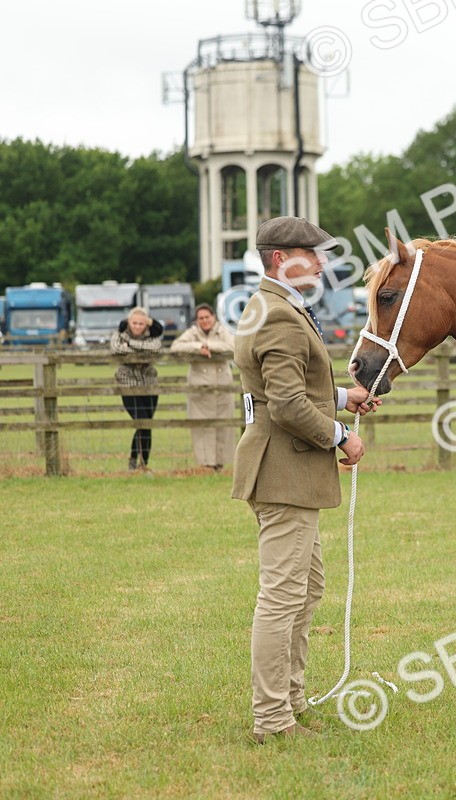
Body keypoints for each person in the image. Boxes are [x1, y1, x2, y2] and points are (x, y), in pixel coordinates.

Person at [231, 216, 381, 744]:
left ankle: (291, 700)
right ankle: (272, 720)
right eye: (312, 254)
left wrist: (343, 397)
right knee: (282, 596)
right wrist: (342, 435)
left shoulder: (278, 306)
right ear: (281, 258)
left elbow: (287, 388)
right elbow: (289, 405)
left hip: (287, 467)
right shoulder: (278, 315)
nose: (320, 263)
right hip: (284, 469)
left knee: (307, 587)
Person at [170, 304, 236, 470]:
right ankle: (206, 465)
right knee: (202, 427)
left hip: (222, 387)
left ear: (213, 317)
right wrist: (198, 347)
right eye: (201, 318)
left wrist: (210, 346)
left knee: (223, 426)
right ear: (196, 320)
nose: (205, 321)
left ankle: (220, 464)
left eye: (207, 317)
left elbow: (234, 346)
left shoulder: (223, 331)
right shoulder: (192, 333)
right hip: (199, 388)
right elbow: (176, 346)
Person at [110, 307, 163, 470]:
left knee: (147, 423)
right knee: (141, 421)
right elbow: (117, 348)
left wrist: (131, 345)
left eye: (141, 323)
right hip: (128, 383)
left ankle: (142, 462)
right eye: (134, 323)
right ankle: (135, 460)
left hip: (149, 383)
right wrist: (141, 348)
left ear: (146, 324)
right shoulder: (119, 335)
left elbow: (155, 348)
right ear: (129, 322)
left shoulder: (152, 336)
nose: (138, 326)